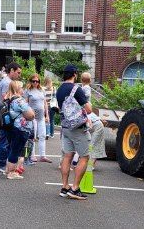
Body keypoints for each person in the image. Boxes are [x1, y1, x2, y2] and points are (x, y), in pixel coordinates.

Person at [57, 64, 92, 200]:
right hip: (78, 128)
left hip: (66, 127)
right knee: (84, 157)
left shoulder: (59, 89)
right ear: (75, 74)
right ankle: (75, 188)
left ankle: (65, 187)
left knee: (67, 156)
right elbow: (88, 109)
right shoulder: (76, 89)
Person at [5, 81, 35, 180]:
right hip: (21, 128)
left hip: (12, 127)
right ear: (18, 89)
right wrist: (32, 113)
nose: (23, 90)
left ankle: (8, 169)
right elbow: (31, 115)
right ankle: (12, 172)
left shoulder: (8, 99)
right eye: (21, 88)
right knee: (16, 150)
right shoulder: (19, 101)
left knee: (12, 148)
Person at [0, 62, 22, 173]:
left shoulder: (8, 81)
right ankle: (2, 163)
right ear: (11, 70)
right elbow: (5, 98)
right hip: (6, 115)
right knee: (5, 140)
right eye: (18, 72)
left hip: (7, 115)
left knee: (7, 140)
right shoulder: (7, 83)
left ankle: (5, 163)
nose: (19, 75)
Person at [81, 72, 106, 168]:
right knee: (93, 145)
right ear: (90, 80)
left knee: (93, 145)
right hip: (97, 124)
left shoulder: (85, 89)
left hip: (97, 126)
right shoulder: (86, 88)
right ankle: (89, 165)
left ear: (81, 80)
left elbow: (85, 97)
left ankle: (90, 166)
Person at [24, 74, 52, 163]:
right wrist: (26, 115)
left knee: (42, 135)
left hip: (41, 117)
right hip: (32, 117)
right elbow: (25, 103)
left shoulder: (41, 90)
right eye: (33, 81)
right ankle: (32, 155)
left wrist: (47, 115)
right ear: (31, 81)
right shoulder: (28, 91)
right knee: (33, 136)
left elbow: (45, 103)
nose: (35, 83)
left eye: (37, 81)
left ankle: (42, 155)